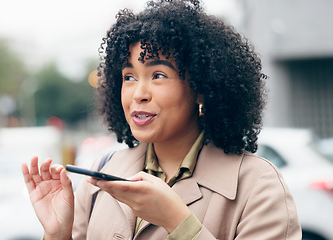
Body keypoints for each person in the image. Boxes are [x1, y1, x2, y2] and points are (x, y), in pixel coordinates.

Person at [21, 0, 302, 239]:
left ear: (201, 89)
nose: (138, 94)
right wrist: (58, 234)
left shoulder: (258, 185)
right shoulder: (102, 173)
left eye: (158, 75)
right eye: (129, 77)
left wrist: (178, 221)